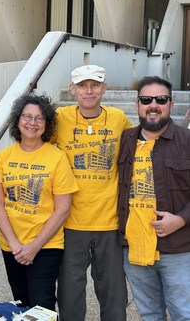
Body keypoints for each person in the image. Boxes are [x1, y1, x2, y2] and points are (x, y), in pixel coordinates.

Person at [54, 65, 131, 321]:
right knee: (70, 293)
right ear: (72, 89)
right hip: (70, 222)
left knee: (113, 293)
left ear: (104, 88)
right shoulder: (60, 118)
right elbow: (33, 145)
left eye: (95, 85)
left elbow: (139, 148)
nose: (89, 91)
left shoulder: (119, 118)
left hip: (108, 221)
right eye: (83, 86)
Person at [0, 94, 78, 311]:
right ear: (18, 120)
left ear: (46, 124)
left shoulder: (56, 157)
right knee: (21, 303)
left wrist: (33, 247)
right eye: (27, 117)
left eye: (39, 118)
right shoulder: (4, 156)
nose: (32, 123)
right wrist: (15, 245)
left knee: (42, 306)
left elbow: (62, 209)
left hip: (46, 245)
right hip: (11, 244)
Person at [118, 76, 190, 320]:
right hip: (135, 247)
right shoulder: (125, 140)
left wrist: (181, 219)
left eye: (161, 99)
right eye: (146, 99)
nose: (153, 105)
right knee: (149, 314)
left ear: (171, 103)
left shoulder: (187, 142)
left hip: (177, 249)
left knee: (183, 313)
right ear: (137, 104)